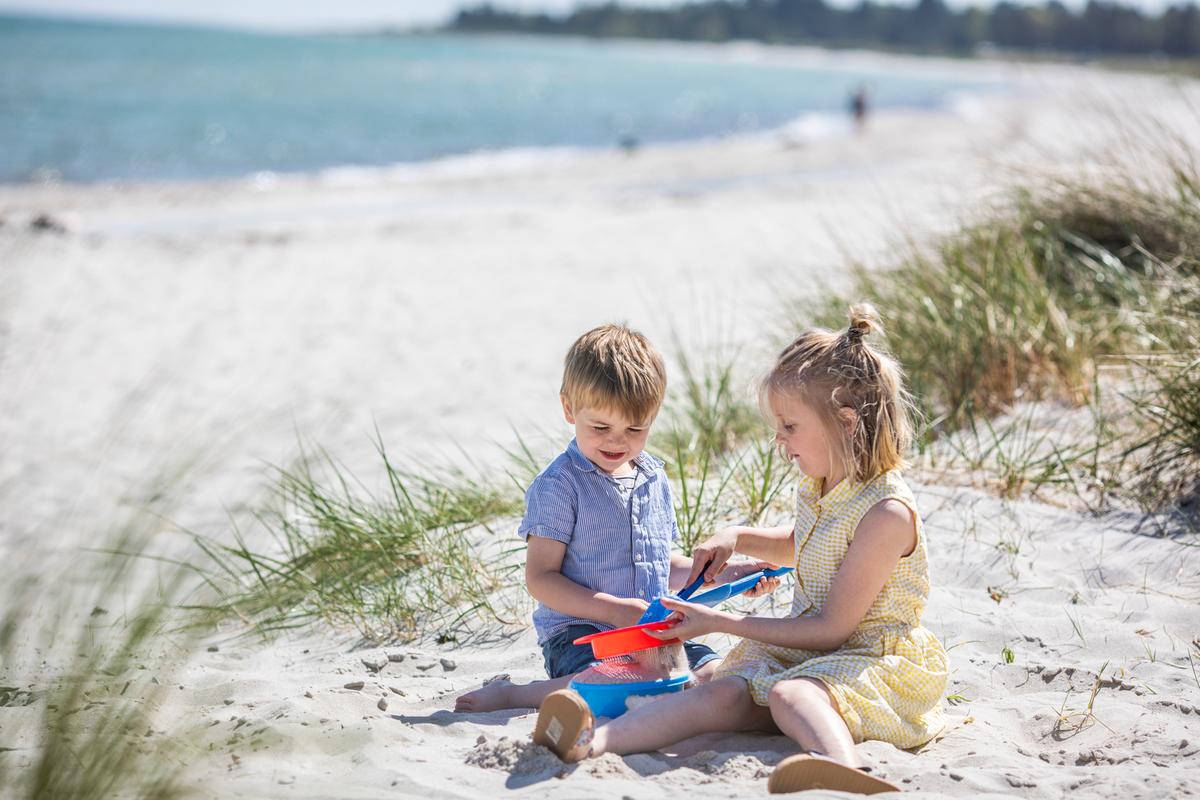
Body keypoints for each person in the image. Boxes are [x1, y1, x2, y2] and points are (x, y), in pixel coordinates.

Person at [530, 305, 948, 795]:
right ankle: (593, 743)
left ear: (846, 422)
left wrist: (718, 622)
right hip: (810, 654)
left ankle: (842, 768)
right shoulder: (823, 487)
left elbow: (832, 628)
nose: (779, 441)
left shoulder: (887, 514)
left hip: (866, 660)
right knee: (720, 693)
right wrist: (737, 538)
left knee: (792, 696)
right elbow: (805, 545)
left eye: (790, 427)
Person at [456, 323, 779, 713]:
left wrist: (729, 575)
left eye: (635, 428)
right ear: (568, 409)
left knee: (720, 676)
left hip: (651, 628)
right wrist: (613, 610)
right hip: (585, 633)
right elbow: (540, 579)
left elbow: (659, 567)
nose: (616, 441)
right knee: (628, 685)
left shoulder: (652, 478)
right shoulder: (560, 485)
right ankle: (515, 695)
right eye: (600, 427)